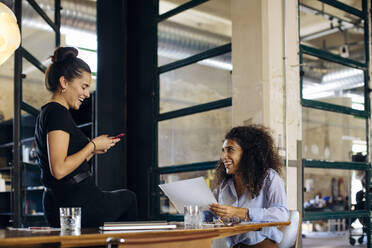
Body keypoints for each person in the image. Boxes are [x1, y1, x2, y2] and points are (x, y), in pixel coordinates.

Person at [34, 47, 137, 227]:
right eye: (84, 86)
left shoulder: (50, 112)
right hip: (75, 201)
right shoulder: (57, 113)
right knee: (129, 198)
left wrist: (95, 149)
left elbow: (68, 165)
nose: (86, 94)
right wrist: (91, 145)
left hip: (62, 199)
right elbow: (58, 169)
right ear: (64, 82)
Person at [205, 125, 289, 248]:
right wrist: (195, 213)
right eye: (223, 150)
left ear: (248, 153)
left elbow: (282, 214)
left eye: (230, 150)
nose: (223, 157)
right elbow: (209, 213)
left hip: (263, 244)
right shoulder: (224, 186)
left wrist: (242, 213)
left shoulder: (269, 177)